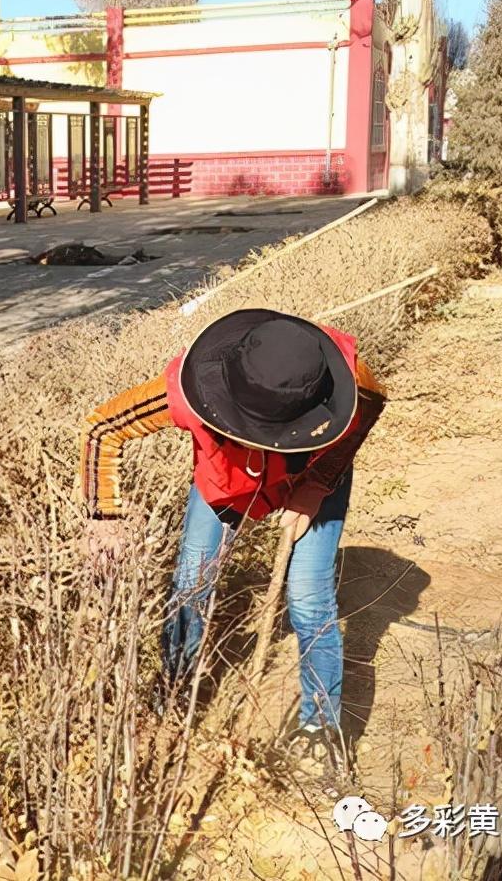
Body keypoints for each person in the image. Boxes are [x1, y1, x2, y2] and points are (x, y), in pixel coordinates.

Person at [80, 308, 387, 768]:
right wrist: (104, 516)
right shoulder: (186, 392)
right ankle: (175, 696)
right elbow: (103, 429)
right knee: (191, 585)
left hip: (309, 481)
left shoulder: (353, 383)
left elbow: (365, 415)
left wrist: (316, 485)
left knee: (308, 599)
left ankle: (321, 729)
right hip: (225, 482)